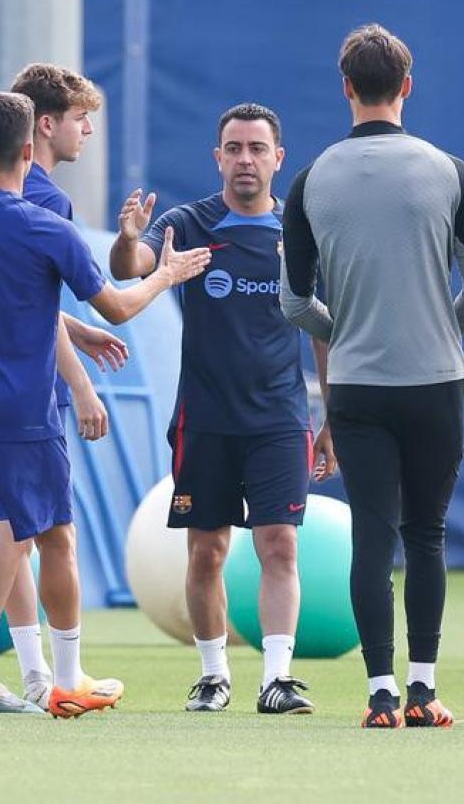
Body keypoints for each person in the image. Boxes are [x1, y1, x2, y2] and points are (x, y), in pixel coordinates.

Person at [0, 91, 209, 721]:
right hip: (24, 420)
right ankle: (66, 676)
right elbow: (116, 307)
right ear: (30, 150)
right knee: (57, 539)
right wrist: (165, 276)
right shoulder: (48, 226)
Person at [280, 24, 464, 728]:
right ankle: (424, 690)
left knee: (373, 536)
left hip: (357, 384)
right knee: (426, 533)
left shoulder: (311, 179)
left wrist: (345, 334)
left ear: (346, 88)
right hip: (436, 379)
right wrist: (438, 327)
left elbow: (291, 302)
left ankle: (379, 694)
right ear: (408, 86)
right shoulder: (449, 170)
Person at [109, 102, 336, 715]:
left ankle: (277, 679)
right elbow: (133, 267)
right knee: (205, 552)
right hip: (204, 420)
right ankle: (213, 676)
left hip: (280, 420)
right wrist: (129, 239)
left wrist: (330, 415)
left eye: (257, 149)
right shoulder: (190, 222)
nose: (245, 159)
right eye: (233, 148)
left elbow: (323, 328)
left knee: (279, 545)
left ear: (277, 158)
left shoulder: (299, 232)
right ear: (218, 157)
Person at [0, 63, 132, 714]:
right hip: (29, 389)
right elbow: (106, 302)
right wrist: (81, 384)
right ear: (44, 126)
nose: (87, 129)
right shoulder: (46, 196)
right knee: (29, 527)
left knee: (33, 529)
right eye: (81, 117)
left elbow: (28, 295)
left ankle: (38, 675)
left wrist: (74, 332)